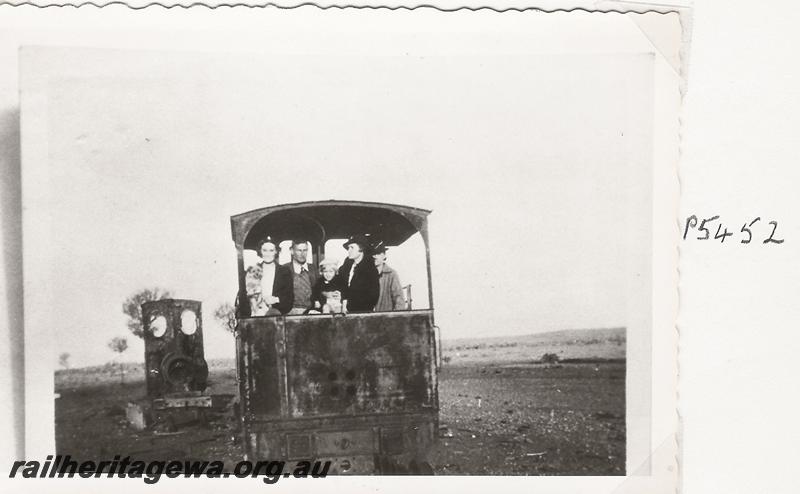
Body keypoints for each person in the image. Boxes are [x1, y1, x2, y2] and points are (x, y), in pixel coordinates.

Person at [245, 236, 293, 315]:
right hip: (257, 312)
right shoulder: (253, 271)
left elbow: (289, 298)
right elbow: (248, 293)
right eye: (265, 250)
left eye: (271, 250)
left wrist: (277, 299)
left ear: (276, 251)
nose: (268, 254)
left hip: (277, 313)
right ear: (260, 251)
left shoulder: (285, 271)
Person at [337, 234, 379, 312]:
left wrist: (351, 306)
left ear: (361, 249)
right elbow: (341, 285)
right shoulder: (345, 267)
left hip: (361, 314)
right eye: (348, 248)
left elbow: (373, 297)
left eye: (352, 247)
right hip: (343, 311)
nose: (348, 250)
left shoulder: (370, 270)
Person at [372, 241, 406, 311]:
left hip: (386, 319)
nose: (374, 256)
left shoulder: (392, 274)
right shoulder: (364, 275)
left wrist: (394, 319)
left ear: (384, 255)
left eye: (378, 253)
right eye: (372, 254)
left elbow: (399, 301)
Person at [286, 239, 318, 315]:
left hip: (311, 312)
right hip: (290, 312)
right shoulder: (285, 269)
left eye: (305, 250)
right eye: (299, 250)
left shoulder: (313, 269)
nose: (302, 254)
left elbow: (318, 289)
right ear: (292, 251)